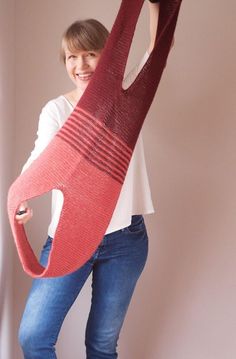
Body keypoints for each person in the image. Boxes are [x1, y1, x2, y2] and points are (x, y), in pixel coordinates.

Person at [16, 2, 170, 358]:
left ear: (108, 57)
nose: (80, 65)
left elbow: (159, 47)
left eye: (89, 54)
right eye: (71, 57)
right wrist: (23, 196)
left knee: (102, 345)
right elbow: (41, 158)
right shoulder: (57, 110)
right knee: (34, 336)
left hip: (125, 240)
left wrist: (154, 6)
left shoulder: (128, 98)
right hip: (69, 238)